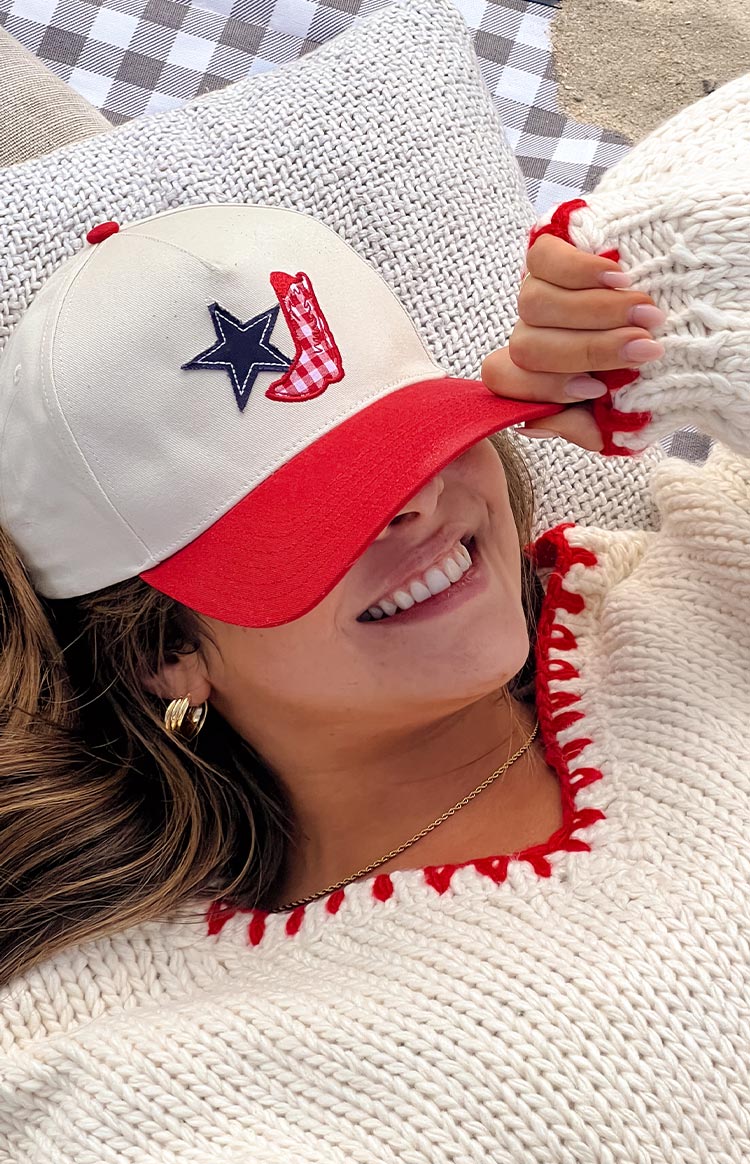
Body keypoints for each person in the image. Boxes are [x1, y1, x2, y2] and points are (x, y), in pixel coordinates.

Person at [0, 100, 748, 1159]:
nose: (407, 508)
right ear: (161, 651)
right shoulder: (126, 1067)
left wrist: (691, 297)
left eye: (409, 444)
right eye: (304, 522)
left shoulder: (713, 569)